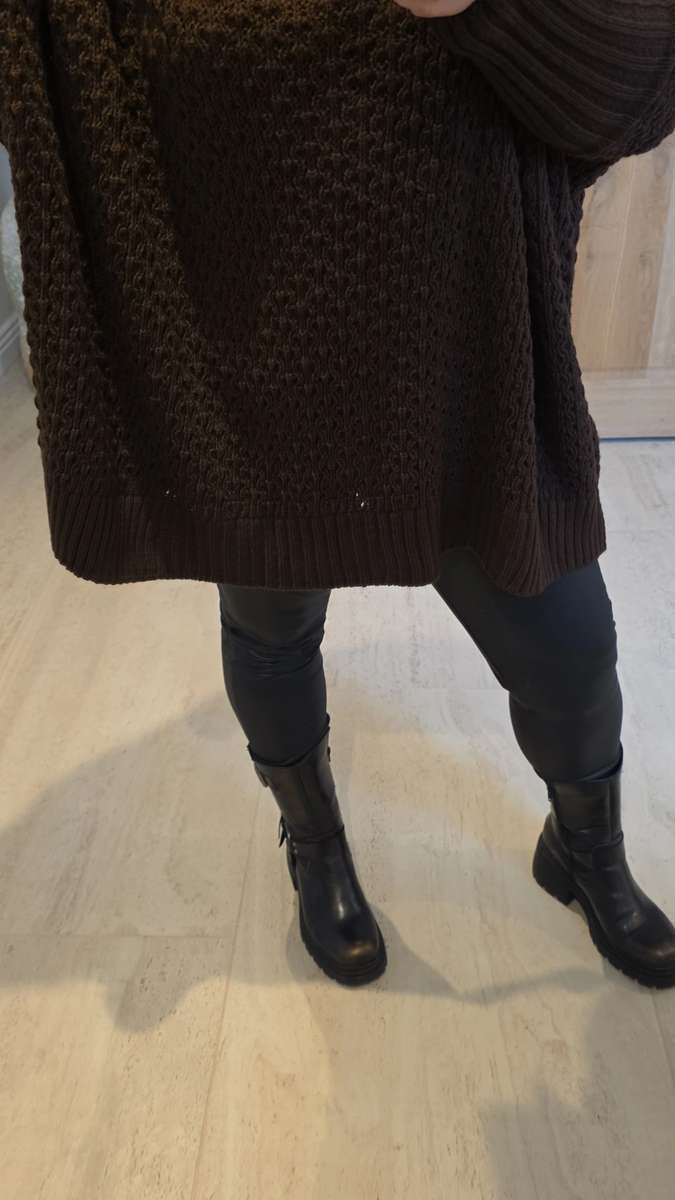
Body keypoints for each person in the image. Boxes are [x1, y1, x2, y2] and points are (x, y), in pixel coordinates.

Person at [1, 0, 674, 988]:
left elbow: (642, 88)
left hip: (467, 386)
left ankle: (587, 852)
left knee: (570, 658)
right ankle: (314, 845)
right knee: (270, 638)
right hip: (248, 395)